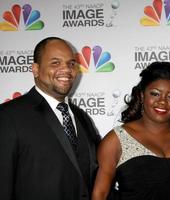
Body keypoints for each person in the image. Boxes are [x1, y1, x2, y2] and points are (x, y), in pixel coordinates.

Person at [0, 37, 100, 200]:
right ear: (35, 69)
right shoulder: (8, 116)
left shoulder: (82, 118)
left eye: (71, 63)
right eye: (55, 63)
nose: (66, 69)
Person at [92, 61, 170, 200]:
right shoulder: (116, 140)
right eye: (155, 94)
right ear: (142, 95)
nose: (162, 101)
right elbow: (99, 194)